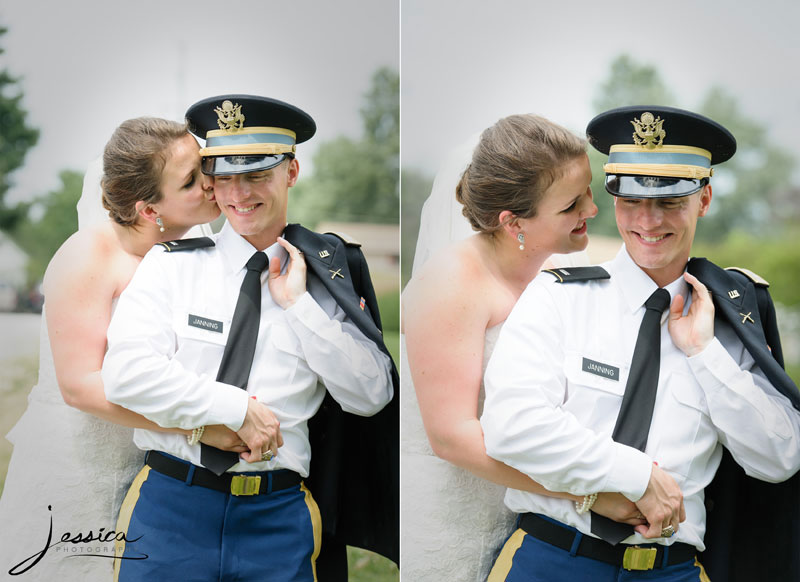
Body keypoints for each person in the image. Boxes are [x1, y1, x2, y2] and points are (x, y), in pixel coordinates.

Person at [481, 105, 800, 581]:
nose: (648, 221)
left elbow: (779, 459)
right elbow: (511, 427)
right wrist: (636, 476)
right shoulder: (559, 295)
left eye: (670, 200)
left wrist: (704, 353)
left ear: (705, 197)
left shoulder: (731, 322)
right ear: (612, 198)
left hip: (672, 570)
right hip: (551, 559)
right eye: (631, 200)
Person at [102, 95, 395, 582]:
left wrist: (300, 306)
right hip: (170, 510)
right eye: (223, 176)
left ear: (292, 172)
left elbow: (371, 396)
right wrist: (232, 408)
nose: (239, 193)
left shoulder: (325, 278)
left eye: (257, 173)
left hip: (278, 519)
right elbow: (125, 375)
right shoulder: (172, 264)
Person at [402, 114, 645, 582]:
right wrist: (586, 494)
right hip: (458, 513)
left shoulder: (556, 270)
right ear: (513, 222)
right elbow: (452, 436)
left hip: (533, 514)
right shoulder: (450, 282)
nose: (592, 210)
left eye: (589, 192)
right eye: (572, 203)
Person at [0, 117, 226, 579]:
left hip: (156, 473)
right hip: (84, 461)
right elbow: (81, 388)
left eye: (205, 166)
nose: (210, 182)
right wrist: (198, 429)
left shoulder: (198, 250)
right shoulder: (88, 257)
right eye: (189, 180)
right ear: (148, 210)